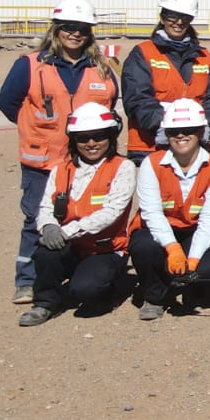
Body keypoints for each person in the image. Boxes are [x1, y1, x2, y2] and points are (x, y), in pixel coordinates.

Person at [0, 0, 120, 305]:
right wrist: (33, 127)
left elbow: (110, 106)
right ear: (56, 29)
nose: (75, 34)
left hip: (85, 162)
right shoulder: (30, 66)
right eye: (68, 27)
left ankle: (71, 271)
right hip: (43, 161)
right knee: (35, 219)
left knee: (83, 216)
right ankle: (27, 280)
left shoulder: (102, 69)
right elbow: (8, 103)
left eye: (82, 28)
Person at [19, 103, 136, 327]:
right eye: (83, 138)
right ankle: (44, 303)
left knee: (87, 292)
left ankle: (112, 286)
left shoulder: (123, 167)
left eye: (99, 136)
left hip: (105, 249)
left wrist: (64, 231)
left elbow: (110, 212)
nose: (91, 144)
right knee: (46, 251)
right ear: (73, 140)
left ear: (111, 136)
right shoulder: (61, 169)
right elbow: (45, 207)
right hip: (72, 246)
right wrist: (48, 227)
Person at [128, 99, 210, 321]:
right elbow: (151, 213)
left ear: (201, 131)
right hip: (159, 230)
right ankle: (154, 297)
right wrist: (172, 248)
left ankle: (190, 286)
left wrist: (192, 259)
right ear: (167, 132)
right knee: (144, 247)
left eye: (189, 130)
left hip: (194, 230)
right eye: (174, 130)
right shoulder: (151, 164)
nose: (181, 135)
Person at [121, 0, 210, 161]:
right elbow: (137, 98)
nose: (179, 22)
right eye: (172, 16)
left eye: (185, 17)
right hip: (150, 147)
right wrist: (162, 128)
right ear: (162, 16)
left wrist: (206, 127)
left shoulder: (206, 58)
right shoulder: (143, 53)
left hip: (195, 147)